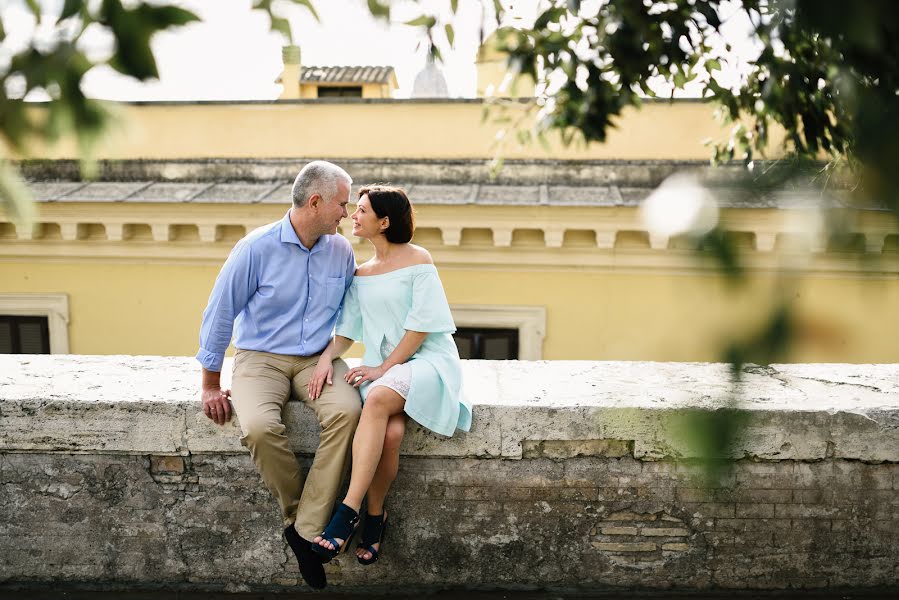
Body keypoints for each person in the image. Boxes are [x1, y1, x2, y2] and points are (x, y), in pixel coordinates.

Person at [196, 161, 361, 590]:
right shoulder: (256, 248)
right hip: (259, 358)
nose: (346, 212)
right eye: (342, 203)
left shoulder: (341, 250)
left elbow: (350, 315)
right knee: (257, 427)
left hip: (317, 360)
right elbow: (220, 314)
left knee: (347, 410)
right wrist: (210, 383)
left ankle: (304, 531)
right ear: (315, 201)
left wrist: (331, 357)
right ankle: (299, 521)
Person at [306, 184, 471, 566]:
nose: (353, 216)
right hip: (388, 369)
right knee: (391, 433)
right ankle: (376, 518)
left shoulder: (418, 259)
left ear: (384, 221)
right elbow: (347, 332)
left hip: (426, 362)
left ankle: (347, 513)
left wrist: (383, 369)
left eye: (361, 210)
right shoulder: (360, 273)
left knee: (378, 397)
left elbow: (421, 327)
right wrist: (325, 358)